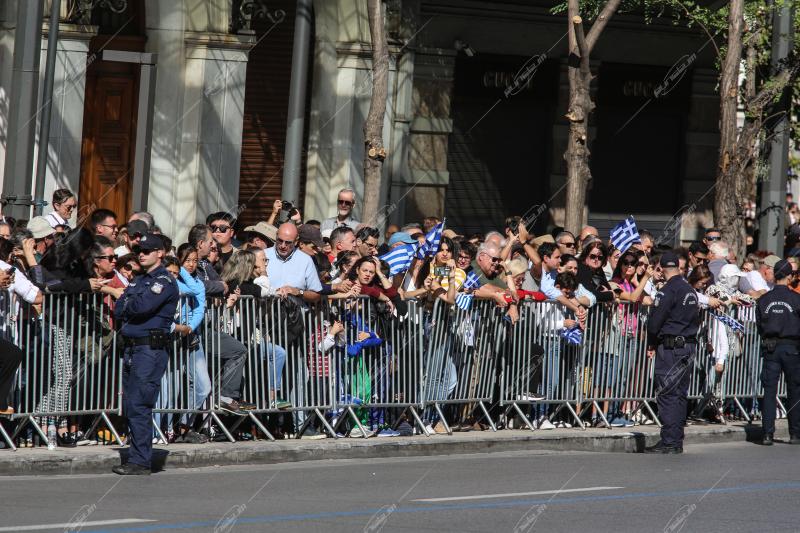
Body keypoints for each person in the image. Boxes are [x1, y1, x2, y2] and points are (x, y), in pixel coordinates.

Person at [112, 233, 179, 475]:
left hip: (150, 349)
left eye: (147, 250)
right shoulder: (139, 280)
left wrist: (130, 301)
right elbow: (120, 309)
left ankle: (140, 461)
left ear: (160, 253)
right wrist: (130, 301)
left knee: (140, 403)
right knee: (131, 403)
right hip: (133, 346)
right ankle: (136, 455)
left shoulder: (164, 280)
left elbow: (140, 307)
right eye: (139, 249)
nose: (141, 253)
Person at [643, 252, 701, 454]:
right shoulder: (690, 291)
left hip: (670, 348)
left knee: (667, 394)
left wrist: (651, 343)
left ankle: (669, 441)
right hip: (688, 346)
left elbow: (655, 322)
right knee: (679, 395)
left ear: (661, 268)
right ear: (678, 267)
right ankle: (676, 440)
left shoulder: (667, 291)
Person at [755, 259, 800, 446]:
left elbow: (759, 325)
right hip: (792, 349)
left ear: (774, 276)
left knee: (769, 392)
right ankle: (795, 433)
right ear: (789, 277)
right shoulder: (796, 299)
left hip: (771, 348)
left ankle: (767, 434)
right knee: (794, 392)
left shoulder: (764, 300)